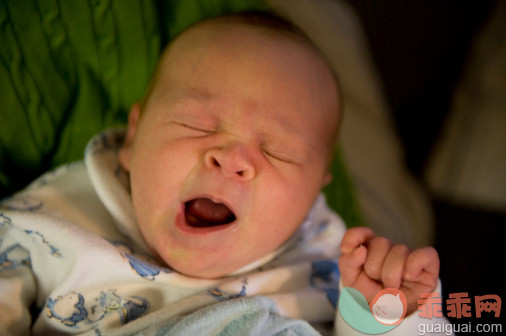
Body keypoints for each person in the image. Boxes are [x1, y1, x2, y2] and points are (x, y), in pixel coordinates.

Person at [0, 12, 449, 335]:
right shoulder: (52, 219)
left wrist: (389, 314)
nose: (232, 157)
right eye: (196, 123)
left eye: (278, 151)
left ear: (314, 191)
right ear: (133, 138)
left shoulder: (334, 264)